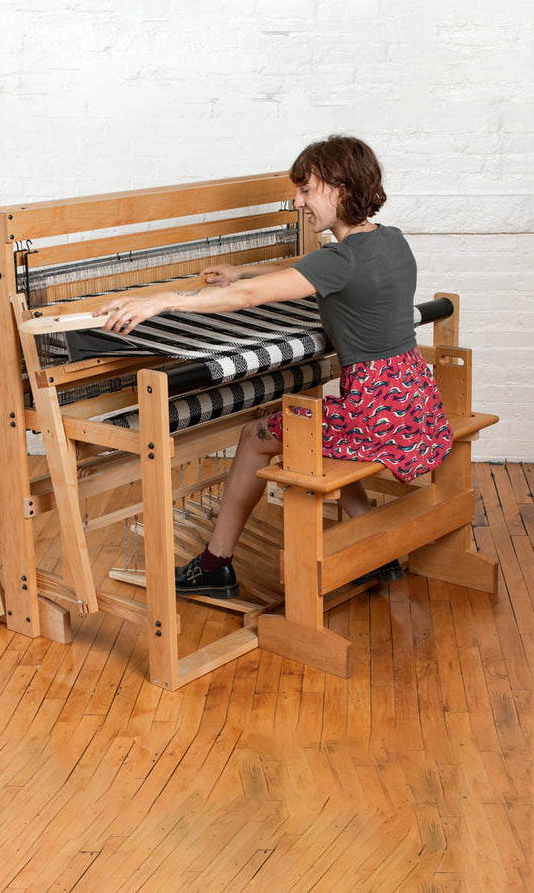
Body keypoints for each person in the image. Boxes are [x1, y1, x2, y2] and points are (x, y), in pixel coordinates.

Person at [95, 135, 454, 599]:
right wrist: (242, 272)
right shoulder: (391, 242)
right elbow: (306, 271)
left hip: (373, 412)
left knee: (255, 436)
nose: (297, 200)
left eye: (306, 189)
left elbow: (256, 298)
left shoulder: (337, 261)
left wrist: (162, 301)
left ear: (340, 189)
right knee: (317, 427)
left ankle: (214, 565)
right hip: (411, 397)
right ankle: (374, 546)